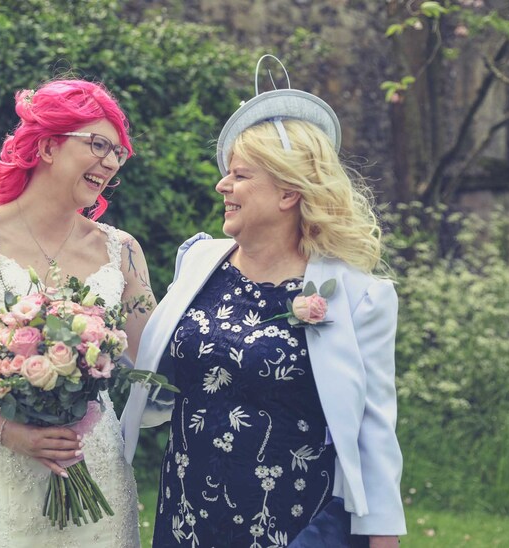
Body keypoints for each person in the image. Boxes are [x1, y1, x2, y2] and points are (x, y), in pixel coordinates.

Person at [121, 56, 406, 547]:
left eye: (239, 175)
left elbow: (375, 427)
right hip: (187, 515)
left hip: (294, 523)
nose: (222, 186)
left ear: (289, 192)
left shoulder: (358, 296)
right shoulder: (198, 261)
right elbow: (160, 375)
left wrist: (382, 537)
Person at [0, 78, 154, 547]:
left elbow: (155, 359)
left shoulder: (124, 252)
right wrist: (9, 432)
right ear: (46, 147)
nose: (109, 162)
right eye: (98, 144)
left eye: (117, 153)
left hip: (93, 465)